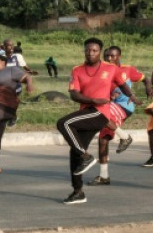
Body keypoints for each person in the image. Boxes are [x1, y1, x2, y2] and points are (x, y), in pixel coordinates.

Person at [56, 38, 137, 205]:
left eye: (94, 50)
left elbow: (122, 84)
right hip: (87, 112)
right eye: (88, 50)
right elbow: (74, 94)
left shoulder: (111, 68)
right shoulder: (77, 70)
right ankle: (78, 192)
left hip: (100, 113)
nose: (90, 53)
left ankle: (87, 156)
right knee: (75, 152)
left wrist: (131, 95)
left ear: (99, 51)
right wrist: (93, 100)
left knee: (63, 123)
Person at [88, 46, 151, 185]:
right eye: (107, 56)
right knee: (103, 139)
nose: (109, 58)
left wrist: (148, 88)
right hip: (109, 106)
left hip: (124, 107)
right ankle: (104, 176)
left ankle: (125, 137)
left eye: (113, 56)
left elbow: (146, 79)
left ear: (119, 57)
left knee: (98, 113)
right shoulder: (101, 72)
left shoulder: (127, 70)